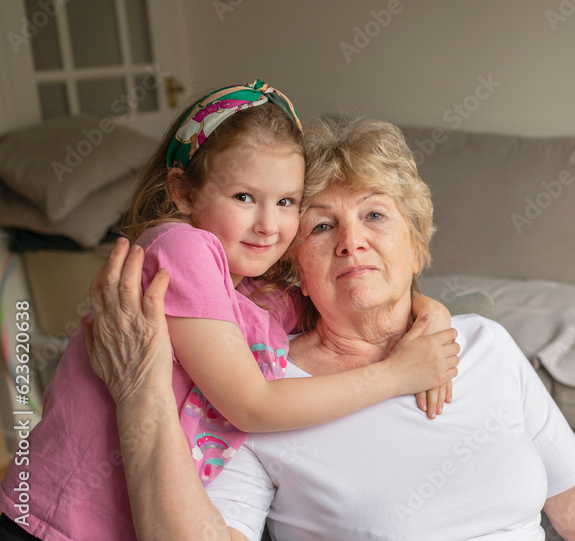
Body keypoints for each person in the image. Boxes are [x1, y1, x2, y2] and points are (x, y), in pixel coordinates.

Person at [84, 117, 575, 540]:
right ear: (293, 262)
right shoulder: (264, 384)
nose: (354, 241)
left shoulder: (483, 345)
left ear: (416, 238)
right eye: (322, 226)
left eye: (376, 214)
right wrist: (141, 395)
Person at [0, 84, 459, 540]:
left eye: (286, 202)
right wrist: (399, 374)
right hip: (48, 522)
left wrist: (429, 312)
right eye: (244, 197)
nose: (268, 224)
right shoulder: (181, 248)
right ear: (183, 192)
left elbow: (356, 294)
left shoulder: (257, 294)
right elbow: (251, 405)